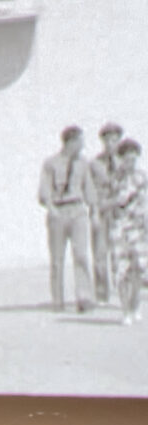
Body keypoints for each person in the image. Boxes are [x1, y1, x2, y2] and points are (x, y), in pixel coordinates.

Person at [37, 125, 95, 312]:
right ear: (70, 142)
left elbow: (89, 190)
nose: (82, 145)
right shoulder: (51, 163)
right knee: (57, 258)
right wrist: (51, 208)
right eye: (79, 141)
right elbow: (44, 190)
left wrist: (93, 212)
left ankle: (84, 297)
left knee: (81, 255)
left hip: (77, 210)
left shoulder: (83, 164)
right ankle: (57, 299)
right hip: (59, 211)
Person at [103, 138, 148, 325]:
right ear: (121, 158)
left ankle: (135, 304)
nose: (131, 163)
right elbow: (103, 203)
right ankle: (125, 310)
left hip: (138, 228)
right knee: (122, 270)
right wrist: (117, 201)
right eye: (128, 159)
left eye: (134, 159)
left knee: (138, 269)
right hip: (119, 228)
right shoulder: (113, 179)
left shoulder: (142, 177)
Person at [89, 122, 123, 303]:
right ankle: (102, 293)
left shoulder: (125, 163)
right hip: (102, 211)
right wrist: (94, 212)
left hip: (120, 212)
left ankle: (122, 291)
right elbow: (92, 190)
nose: (111, 144)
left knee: (120, 253)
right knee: (100, 254)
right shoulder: (95, 164)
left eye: (115, 140)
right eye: (108, 140)